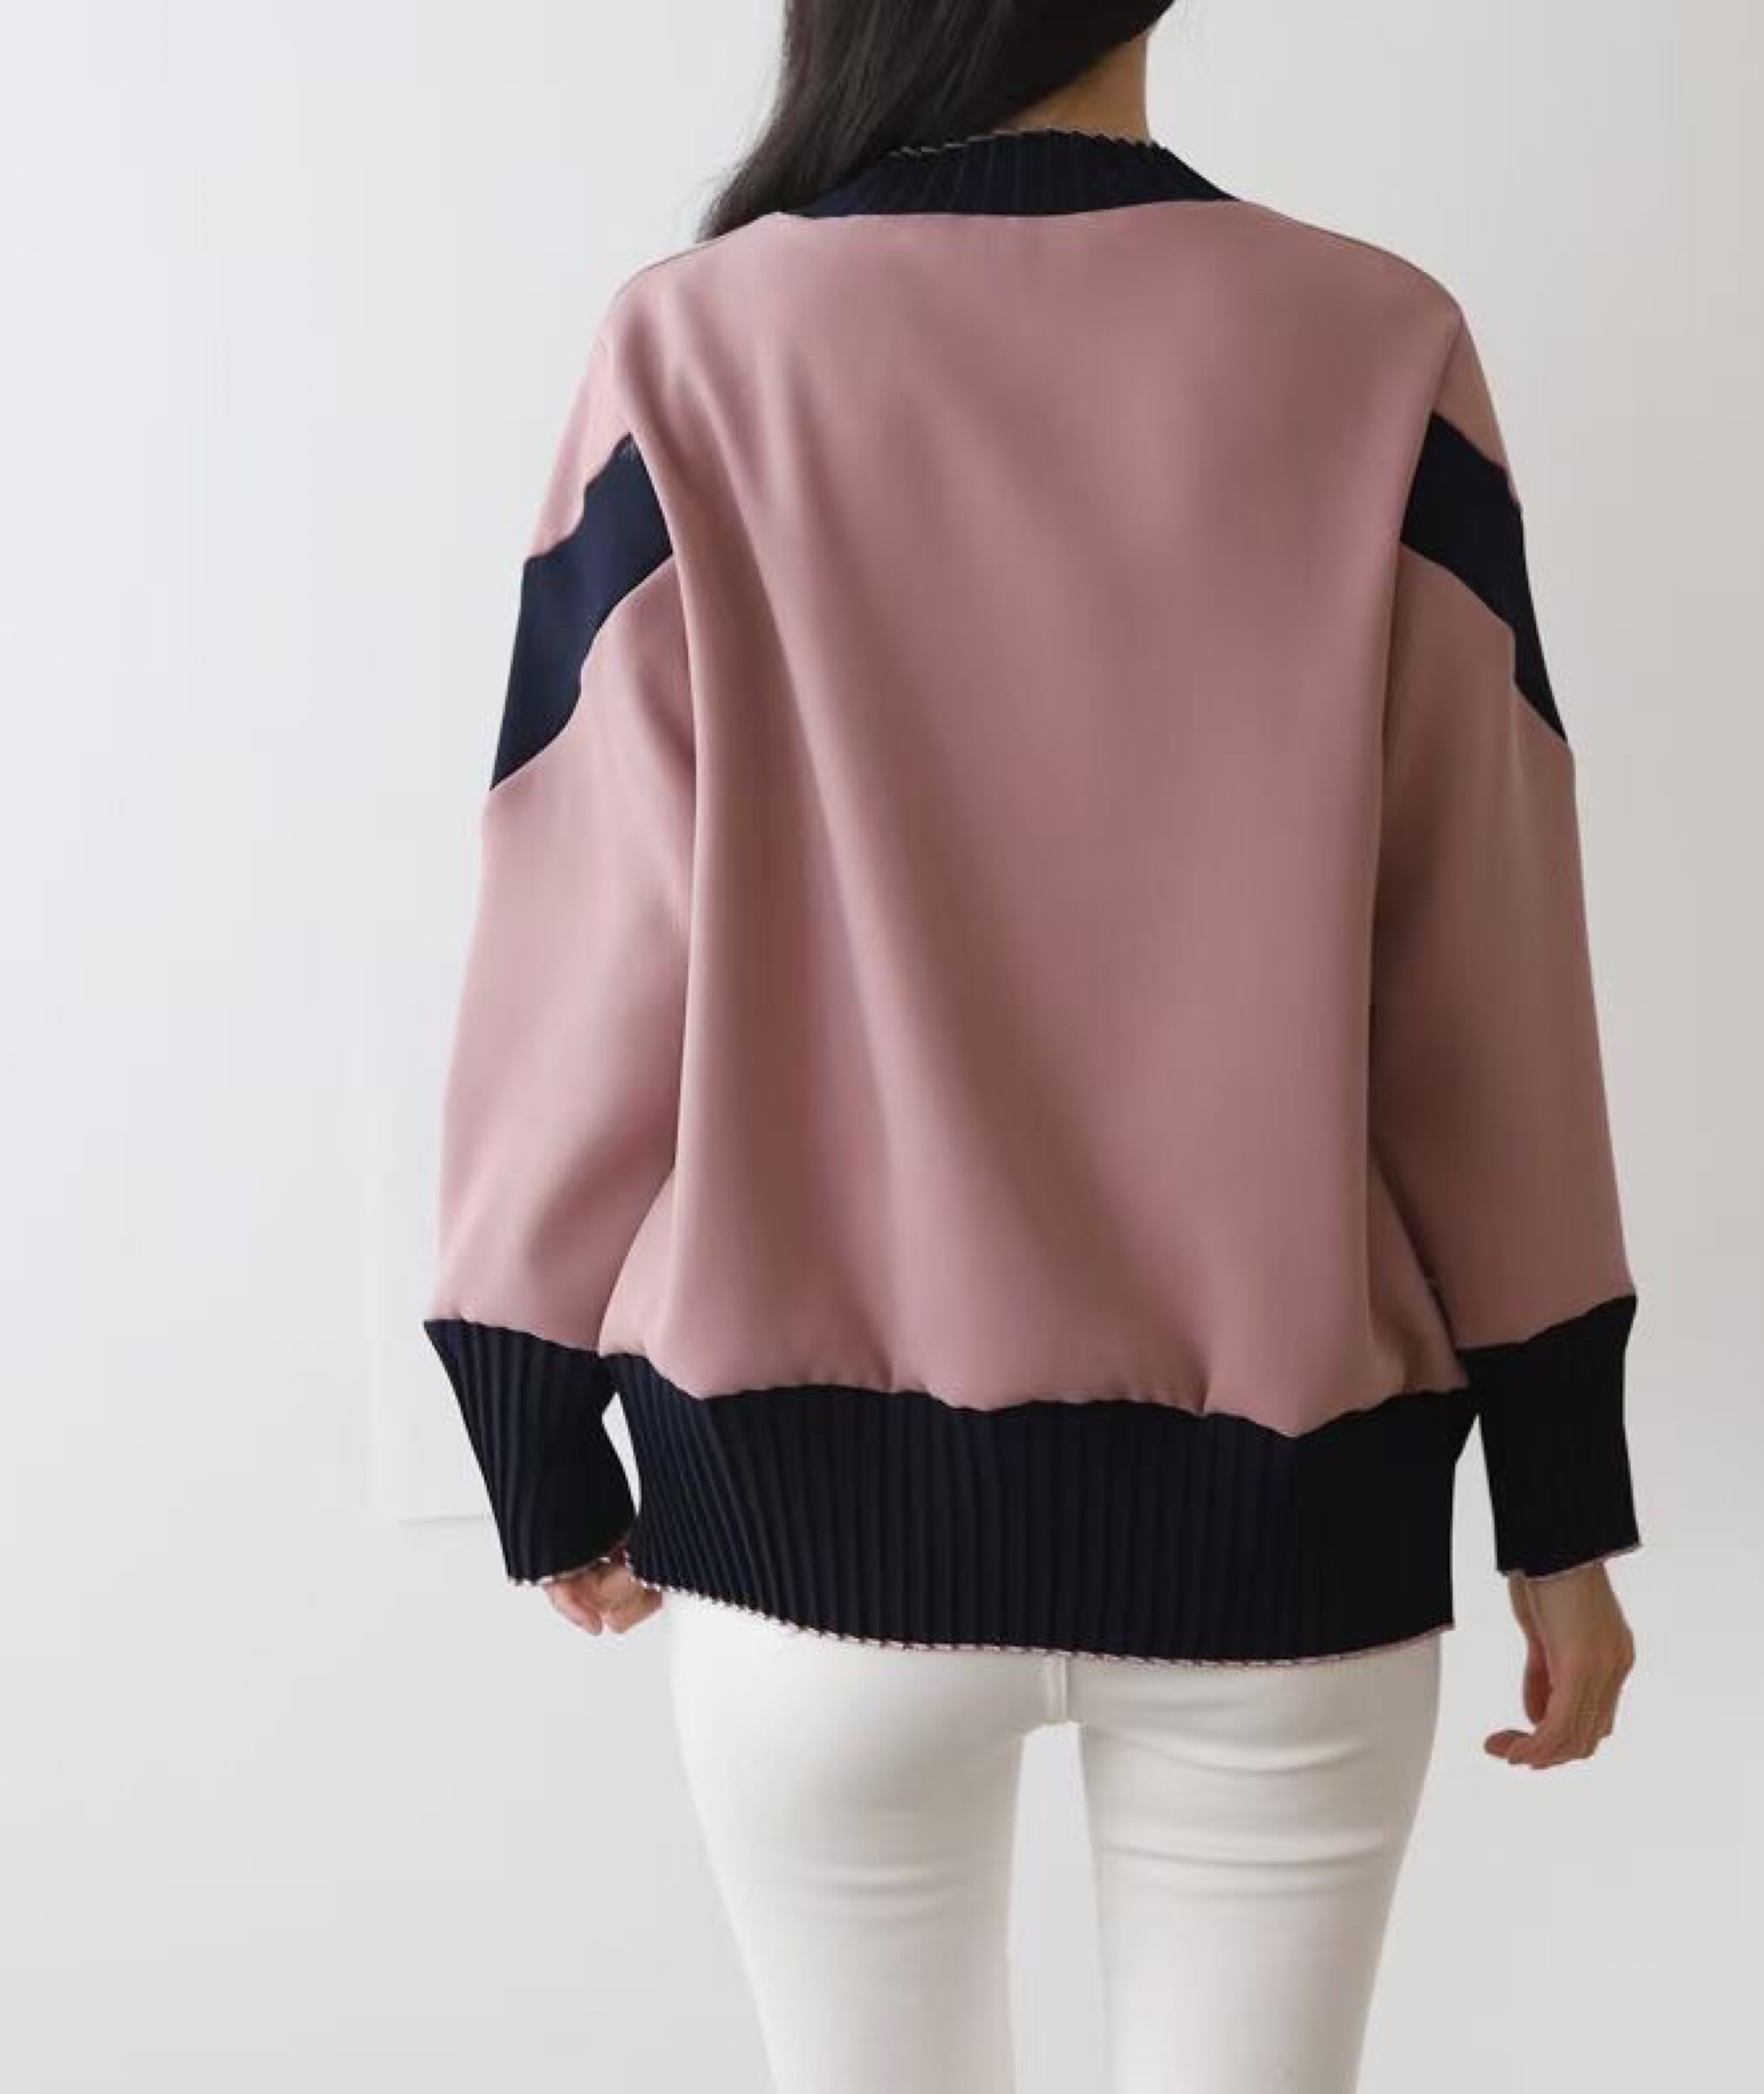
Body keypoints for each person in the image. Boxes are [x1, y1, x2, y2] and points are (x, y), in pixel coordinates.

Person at [421, 4, 1643, 2088]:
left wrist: (528, 1414)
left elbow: (584, 919)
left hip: (808, 1555)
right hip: (1292, 1532)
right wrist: (1560, 1488)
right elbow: (1488, 955)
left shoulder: (696, 350)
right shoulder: (1375, 344)